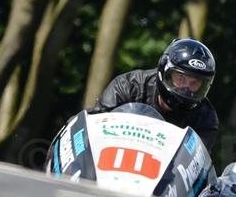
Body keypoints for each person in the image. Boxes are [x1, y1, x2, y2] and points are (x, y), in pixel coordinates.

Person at [88, 37, 220, 151]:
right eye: (181, 79)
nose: (186, 88)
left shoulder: (205, 117)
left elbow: (197, 165)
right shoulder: (128, 86)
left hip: (166, 177)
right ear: (165, 72)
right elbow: (93, 127)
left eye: (195, 83)